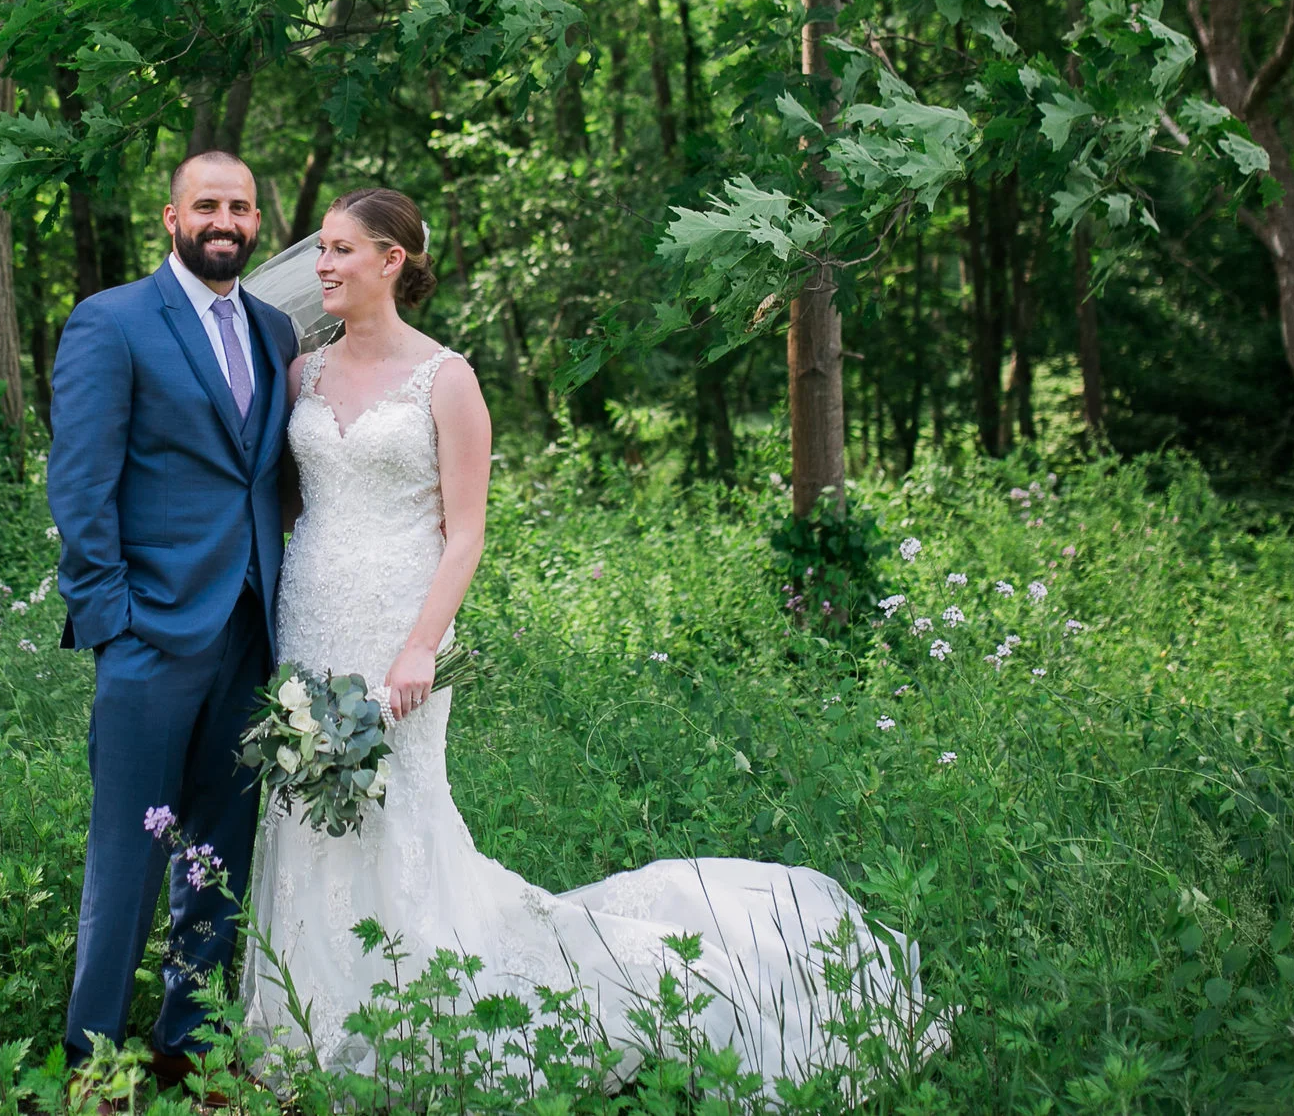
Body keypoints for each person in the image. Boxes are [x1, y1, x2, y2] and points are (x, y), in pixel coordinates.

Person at [240, 186, 944, 1087]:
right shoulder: (303, 373)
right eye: (321, 249)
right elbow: (284, 502)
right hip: (311, 613)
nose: (321, 266)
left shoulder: (445, 379)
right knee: (305, 801)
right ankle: (308, 1017)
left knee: (396, 807)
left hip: (399, 625)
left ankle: (412, 1014)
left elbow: (466, 533)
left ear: (392, 260)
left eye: (341, 249)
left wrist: (421, 645)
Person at [49, 151, 300, 1079]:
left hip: (249, 627)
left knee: (218, 847)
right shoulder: (112, 321)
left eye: (240, 205)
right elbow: (81, 486)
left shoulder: (275, 327)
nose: (225, 220)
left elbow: (264, 473)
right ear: (172, 217)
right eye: (207, 204)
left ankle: (188, 1044)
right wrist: (111, 619)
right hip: (148, 630)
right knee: (129, 853)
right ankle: (92, 1056)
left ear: (256, 217)